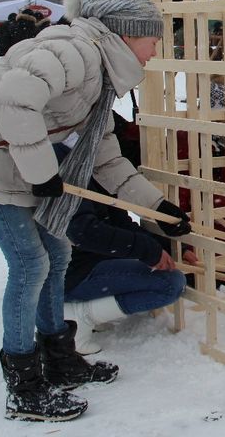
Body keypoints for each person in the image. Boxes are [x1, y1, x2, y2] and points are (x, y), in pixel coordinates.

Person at [0, 0, 193, 422]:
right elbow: (16, 96)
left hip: (19, 165)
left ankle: (58, 357)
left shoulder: (99, 75)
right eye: (152, 39)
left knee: (57, 255)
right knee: (30, 265)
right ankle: (23, 386)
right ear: (127, 33)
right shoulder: (75, 51)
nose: (155, 50)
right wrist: (43, 173)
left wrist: (158, 208)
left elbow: (105, 157)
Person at [55, 141, 191, 355]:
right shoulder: (61, 160)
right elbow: (83, 232)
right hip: (69, 272)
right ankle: (80, 315)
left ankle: (88, 304)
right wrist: (148, 251)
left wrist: (172, 249)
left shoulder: (92, 161)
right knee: (170, 284)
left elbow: (120, 222)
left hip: (90, 262)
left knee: (159, 273)